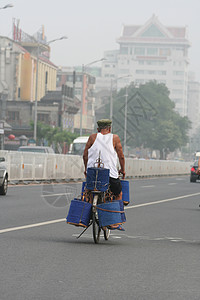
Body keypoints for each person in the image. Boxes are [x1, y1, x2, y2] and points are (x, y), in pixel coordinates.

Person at [83, 119, 126, 231]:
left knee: (88, 192)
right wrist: (123, 169)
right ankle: (115, 221)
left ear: (98, 129)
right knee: (118, 193)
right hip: (109, 173)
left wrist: (86, 169)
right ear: (110, 129)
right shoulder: (114, 138)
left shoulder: (92, 137)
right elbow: (121, 156)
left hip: (93, 173)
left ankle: (85, 217)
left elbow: (85, 155)